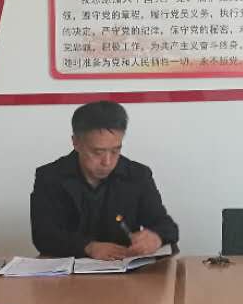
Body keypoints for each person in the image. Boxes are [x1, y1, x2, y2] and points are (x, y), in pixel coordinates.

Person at [30, 100, 179, 259]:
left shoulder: (137, 175)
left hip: (125, 268)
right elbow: (43, 236)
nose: (107, 162)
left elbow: (167, 226)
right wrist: (87, 247)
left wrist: (156, 237)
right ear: (76, 143)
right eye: (98, 152)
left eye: (115, 151)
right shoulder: (50, 177)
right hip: (68, 269)